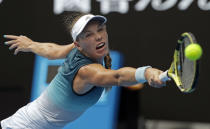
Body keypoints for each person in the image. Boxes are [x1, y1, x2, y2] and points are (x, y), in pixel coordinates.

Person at [1, 12, 165, 129]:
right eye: (88, 35)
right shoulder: (87, 71)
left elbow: (53, 50)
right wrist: (146, 72)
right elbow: (118, 77)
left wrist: (30, 45)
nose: (98, 36)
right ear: (78, 44)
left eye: (100, 29)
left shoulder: (77, 49)